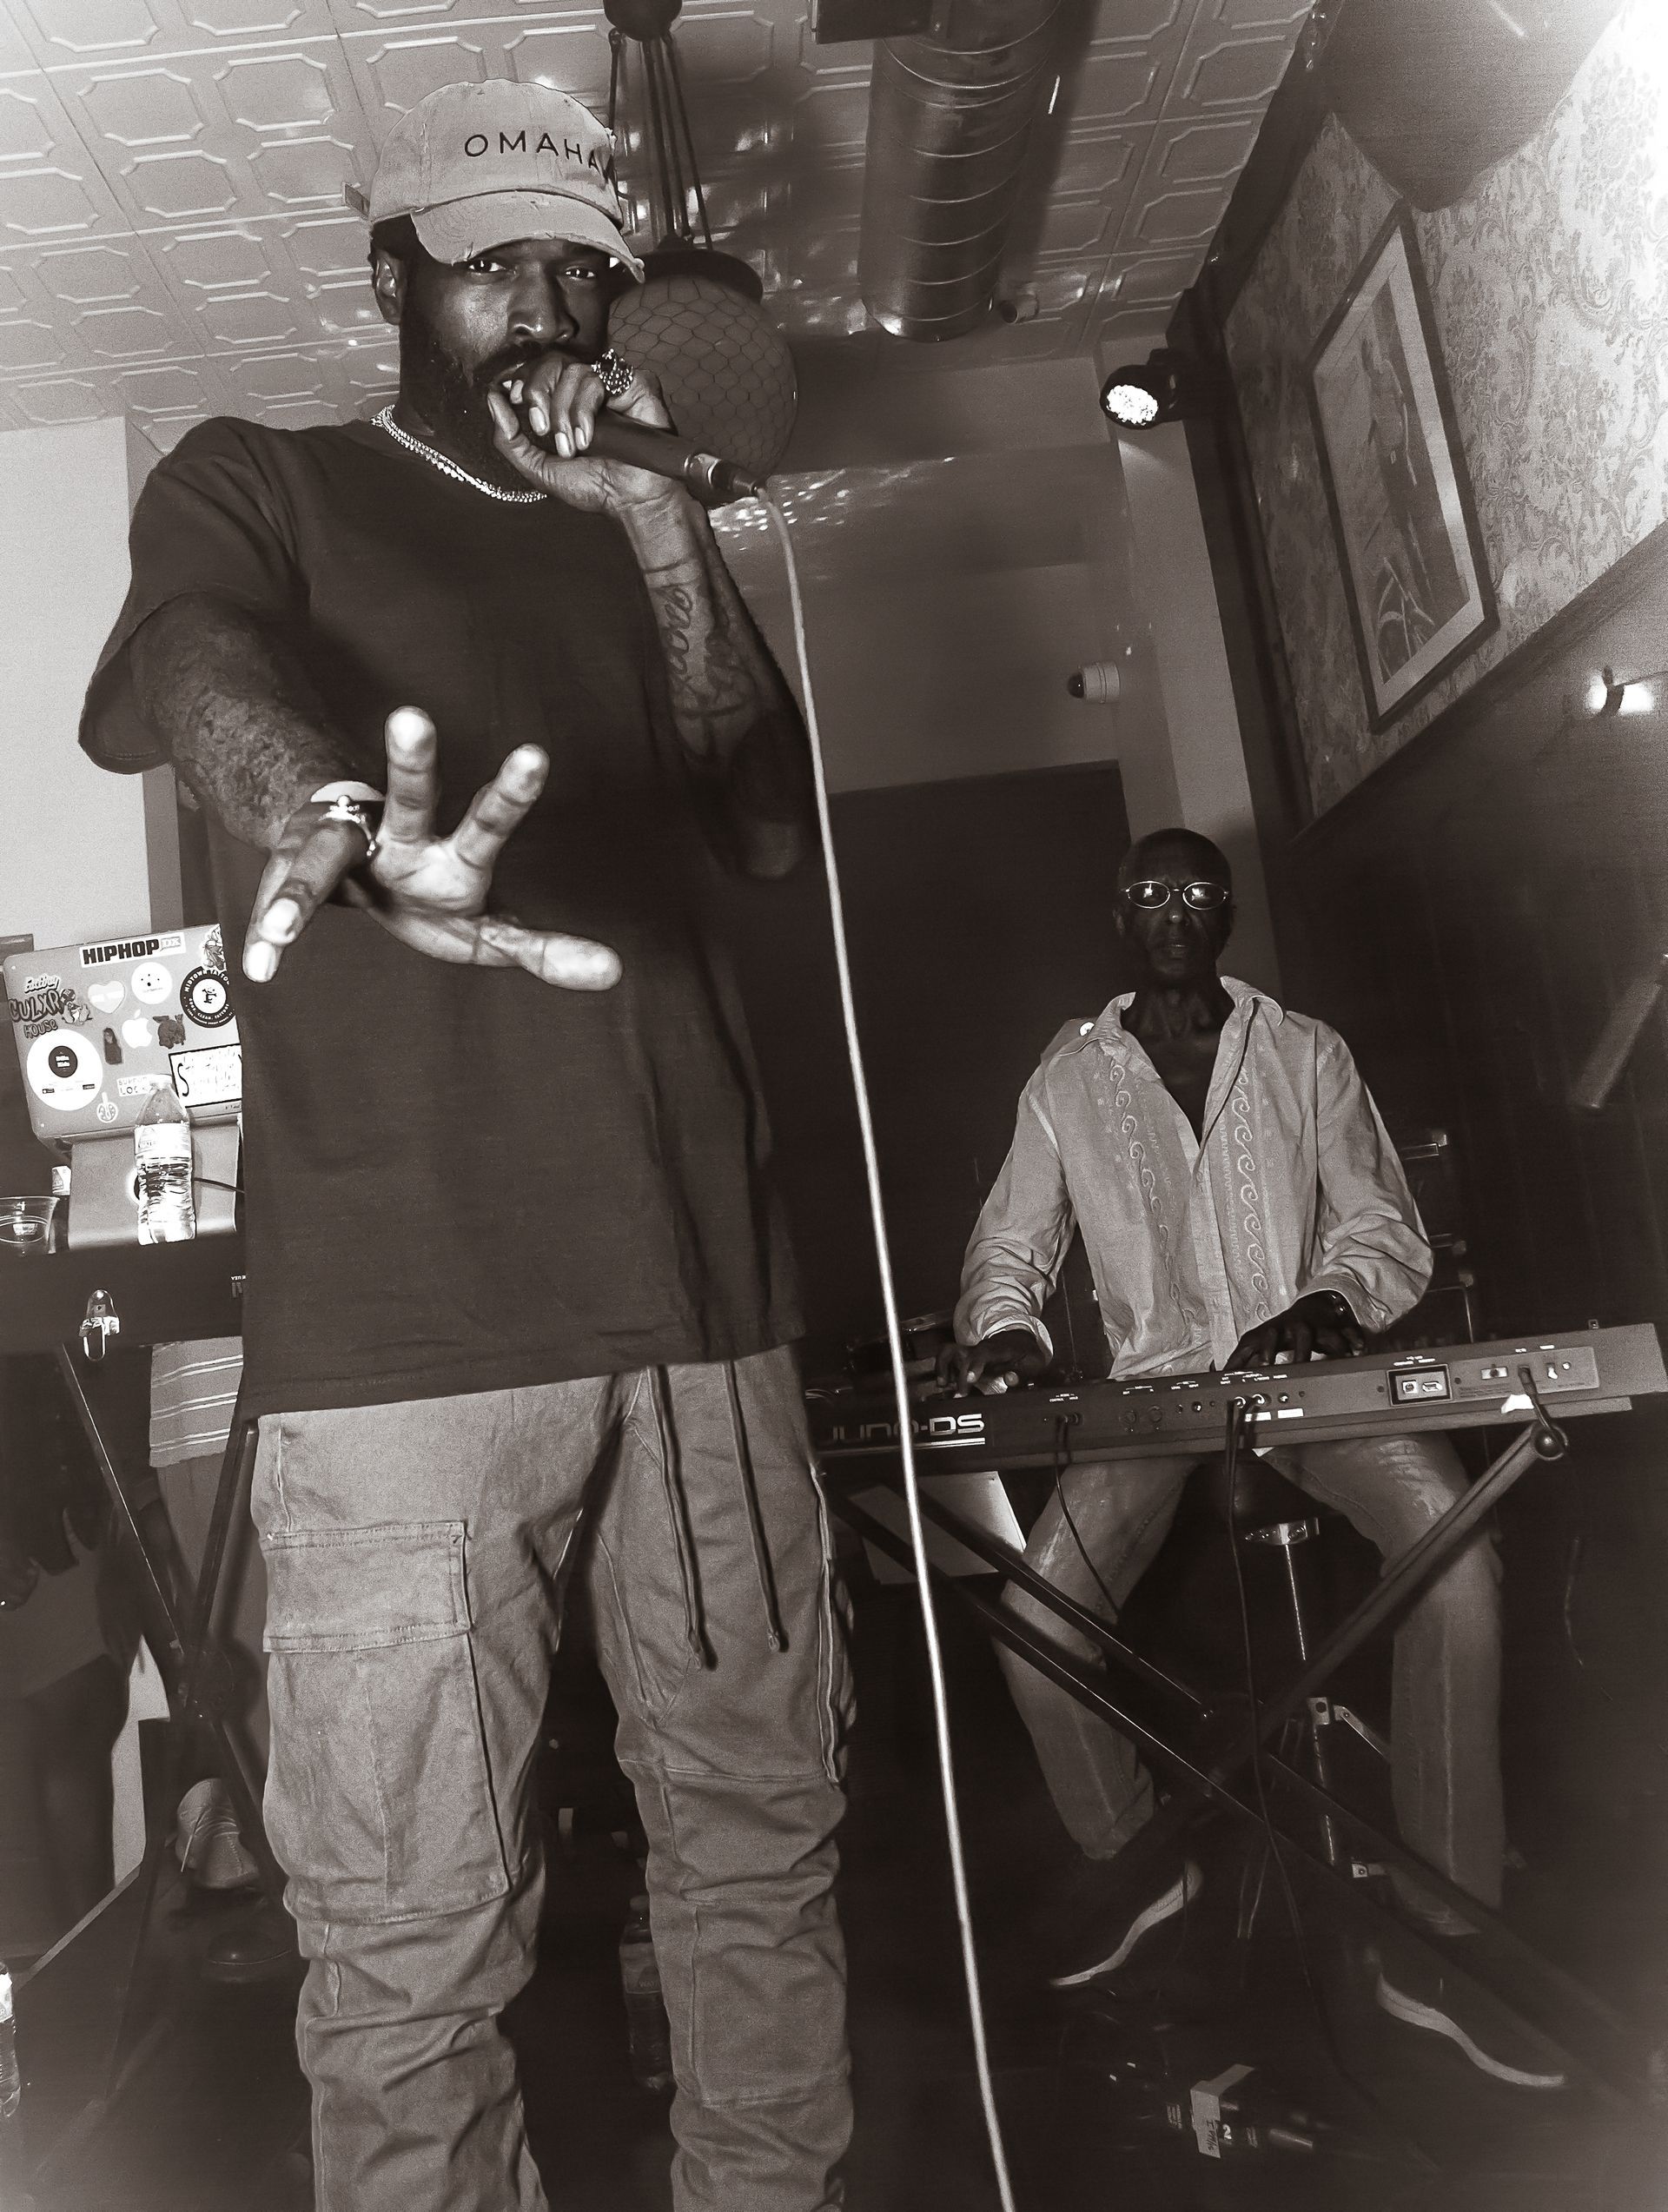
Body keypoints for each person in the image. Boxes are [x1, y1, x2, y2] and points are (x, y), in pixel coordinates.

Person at [80, 78, 851, 2212]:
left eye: (579, 264)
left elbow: (759, 822)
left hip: (704, 1303)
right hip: (417, 1332)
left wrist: (663, 528)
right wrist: (327, 809)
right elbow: (188, 655)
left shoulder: (636, 529)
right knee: (412, 1940)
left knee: (756, 1850)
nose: (547, 298)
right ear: (391, 276)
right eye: (489, 256)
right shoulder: (273, 479)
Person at [941, 826, 1563, 2092]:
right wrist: (1004, 1328)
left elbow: (1385, 1226)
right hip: (1153, 1399)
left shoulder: (1307, 1051)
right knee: (1036, 1622)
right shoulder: (1066, 1079)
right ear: (1120, 915)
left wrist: (1331, 1297)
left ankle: (1441, 1933)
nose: (1176, 908)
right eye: (1151, 892)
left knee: (1458, 1564)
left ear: (1225, 912)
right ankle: (1141, 1867)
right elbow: (1008, 1247)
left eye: (1198, 890)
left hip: (1310, 1389)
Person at [0, 1355, 131, 1964]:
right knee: (69, 1720)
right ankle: (83, 1965)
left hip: (66, 1489)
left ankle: (82, 1960)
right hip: (31, 1505)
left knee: (79, 1714)